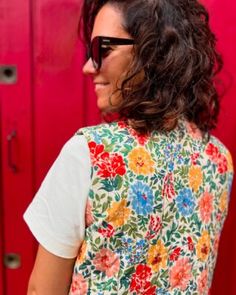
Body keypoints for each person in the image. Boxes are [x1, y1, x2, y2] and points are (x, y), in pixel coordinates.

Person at [24, 0, 234, 294]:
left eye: (102, 50)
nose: (88, 67)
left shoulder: (89, 154)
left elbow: (42, 290)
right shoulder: (219, 159)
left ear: (154, 51)